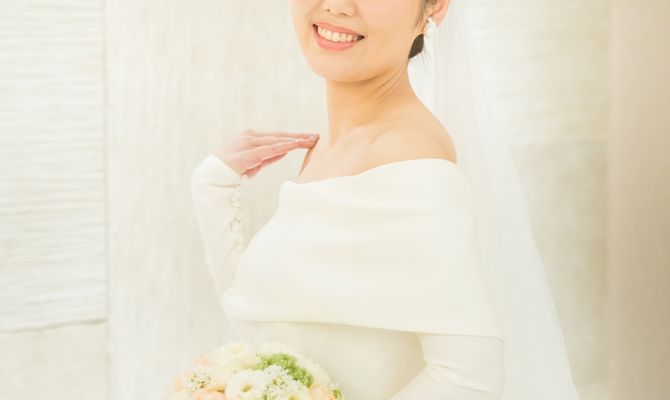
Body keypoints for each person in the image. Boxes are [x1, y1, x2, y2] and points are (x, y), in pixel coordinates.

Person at [190, 0, 580, 399]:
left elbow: (470, 379)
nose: (337, 6)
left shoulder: (408, 156)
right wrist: (212, 187)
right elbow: (267, 334)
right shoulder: (328, 150)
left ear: (434, 8)